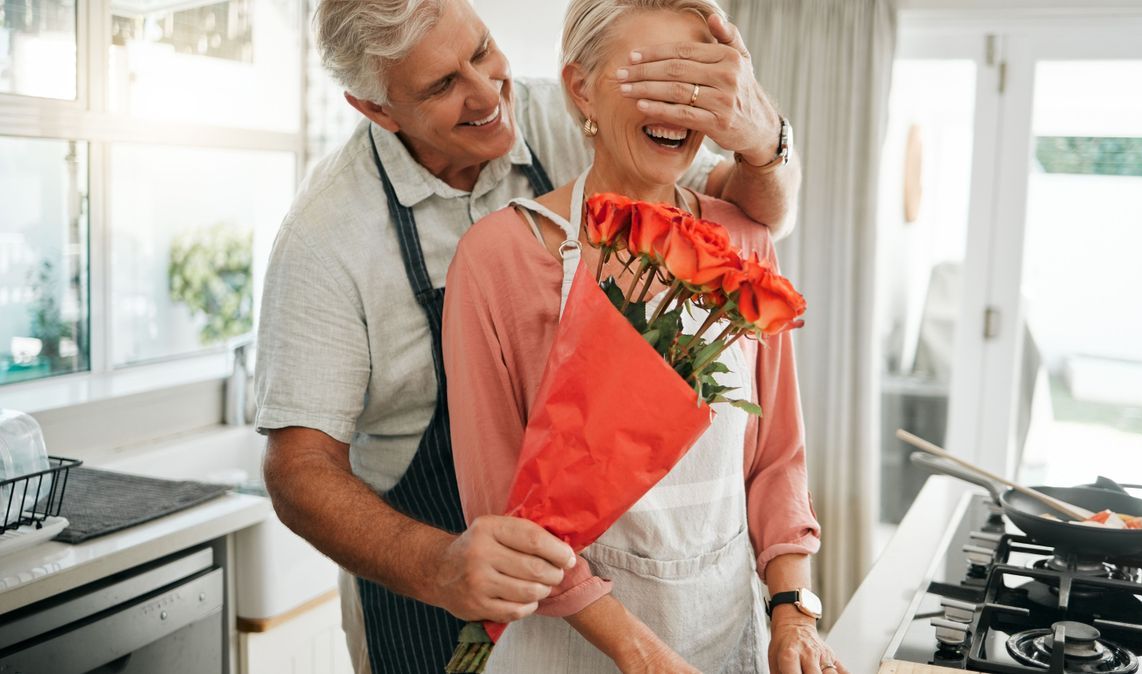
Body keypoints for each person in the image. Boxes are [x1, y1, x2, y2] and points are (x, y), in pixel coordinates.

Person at [255, 0, 802, 672]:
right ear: (379, 111)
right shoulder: (325, 238)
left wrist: (765, 134)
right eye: (441, 86)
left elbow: (749, 211)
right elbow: (297, 471)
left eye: (482, 51)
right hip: (424, 569)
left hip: (644, 597)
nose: (486, 94)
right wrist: (441, 567)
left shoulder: (558, 111)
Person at [443, 1, 842, 672]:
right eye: (650, 76)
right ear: (580, 89)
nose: (676, 105)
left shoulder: (743, 242)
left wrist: (793, 613)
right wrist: (640, 654)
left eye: (695, 81)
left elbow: (779, 460)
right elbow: (507, 519)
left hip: (723, 636)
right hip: (572, 647)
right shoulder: (499, 259)